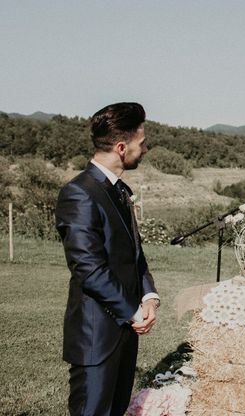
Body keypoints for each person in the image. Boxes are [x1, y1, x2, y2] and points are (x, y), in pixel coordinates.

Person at [56, 102, 160, 416]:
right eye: (141, 143)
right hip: (96, 338)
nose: (145, 149)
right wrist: (131, 311)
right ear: (120, 147)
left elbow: (134, 255)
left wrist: (149, 297)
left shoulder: (120, 190)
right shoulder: (79, 193)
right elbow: (88, 268)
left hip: (126, 334)